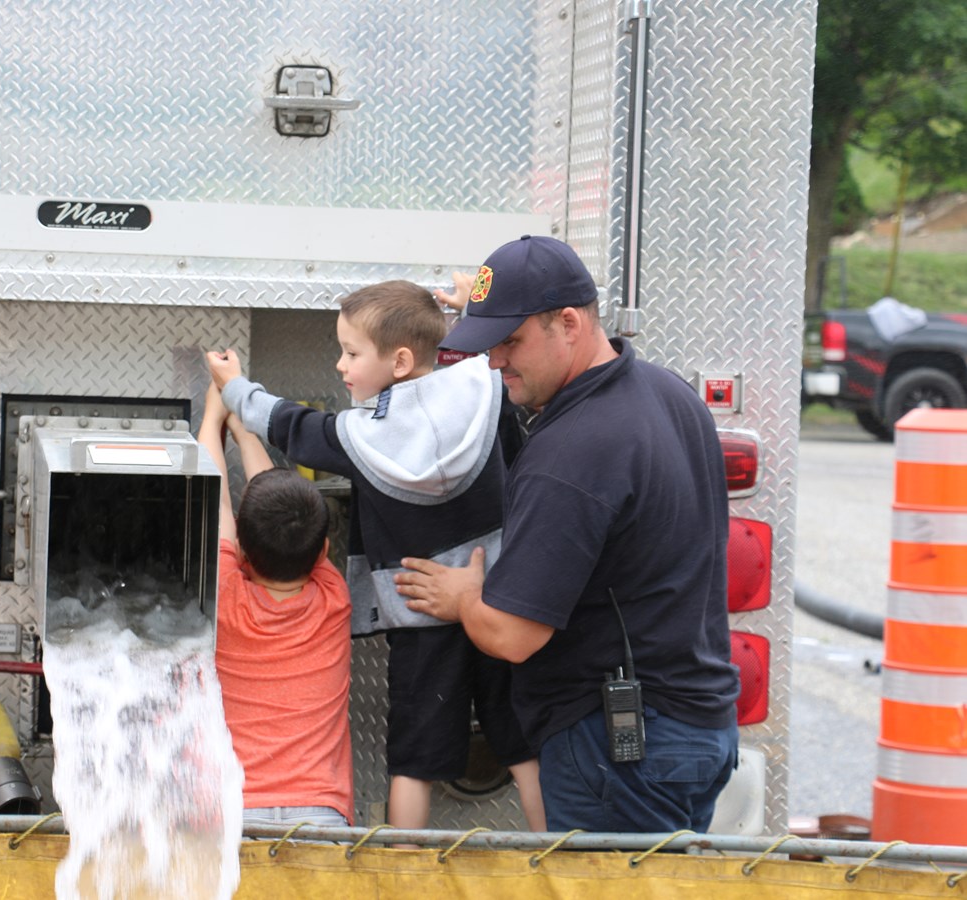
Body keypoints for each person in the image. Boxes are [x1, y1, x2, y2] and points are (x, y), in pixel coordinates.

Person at [394, 235, 740, 833]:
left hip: (620, 749)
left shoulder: (572, 450)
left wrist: (465, 597)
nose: (495, 361)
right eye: (489, 343)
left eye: (511, 341)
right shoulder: (670, 395)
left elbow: (512, 636)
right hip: (697, 730)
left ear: (570, 323)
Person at [208, 280, 546, 837]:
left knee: (414, 761)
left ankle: (403, 869)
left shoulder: (360, 436)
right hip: (496, 598)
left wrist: (236, 389)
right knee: (524, 746)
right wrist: (471, 310)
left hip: (416, 612)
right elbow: (473, 360)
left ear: (400, 361)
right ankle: (555, 858)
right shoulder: (485, 387)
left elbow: (294, 426)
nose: (340, 364)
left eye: (351, 352)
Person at [196, 381, 354, 830]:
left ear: (241, 551)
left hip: (234, 814)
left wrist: (214, 413)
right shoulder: (333, 598)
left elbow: (214, 502)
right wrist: (245, 428)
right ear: (323, 551)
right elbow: (280, 503)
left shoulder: (226, 597)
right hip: (320, 812)